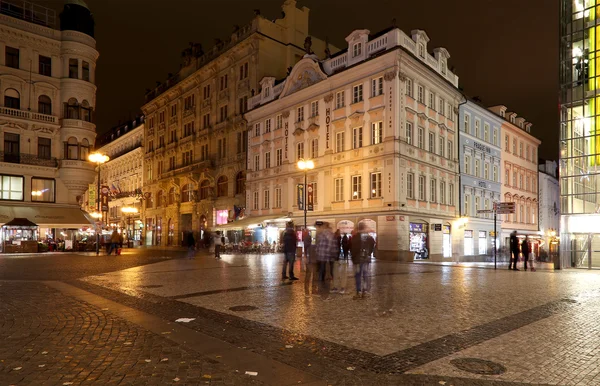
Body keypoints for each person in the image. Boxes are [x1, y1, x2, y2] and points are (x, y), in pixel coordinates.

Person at [351, 223, 375, 299]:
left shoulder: (355, 237)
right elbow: (372, 246)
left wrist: (353, 258)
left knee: (358, 275)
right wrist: (368, 254)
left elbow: (353, 249)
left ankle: (358, 292)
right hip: (366, 260)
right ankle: (365, 291)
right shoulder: (369, 238)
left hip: (357, 260)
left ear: (358, 228)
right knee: (365, 275)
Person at [316, 221, 337, 300]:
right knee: (329, 273)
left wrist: (317, 253)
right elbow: (332, 246)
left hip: (321, 256)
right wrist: (334, 255)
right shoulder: (330, 234)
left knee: (321, 273)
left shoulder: (321, 234)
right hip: (328, 257)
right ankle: (326, 294)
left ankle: (321, 291)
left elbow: (317, 246)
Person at [303, 229, 318, 296]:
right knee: (310, 275)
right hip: (311, 259)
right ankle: (309, 291)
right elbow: (306, 249)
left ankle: (311, 290)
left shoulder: (314, 240)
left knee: (313, 275)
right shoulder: (309, 239)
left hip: (313, 259)